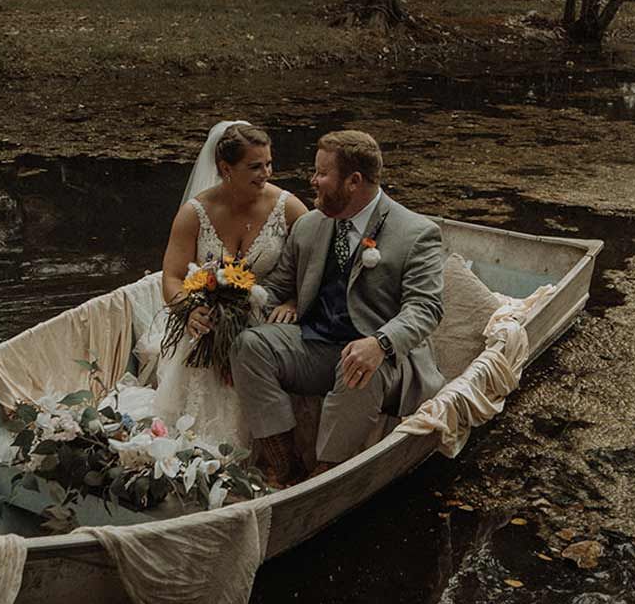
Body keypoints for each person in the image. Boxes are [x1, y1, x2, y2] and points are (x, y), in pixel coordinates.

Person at [229, 129, 444, 485]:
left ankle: (325, 474)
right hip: (316, 344)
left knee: (359, 366)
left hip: (383, 359)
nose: (313, 181)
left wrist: (380, 343)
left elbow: (426, 308)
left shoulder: (417, 233)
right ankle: (285, 467)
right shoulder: (309, 226)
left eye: (322, 173)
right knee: (249, 346)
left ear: (354, 181)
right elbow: (276, 286)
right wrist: (226, 300)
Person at [150, 121, 308, 443]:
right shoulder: (194, 213)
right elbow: (172, 277)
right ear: (226, 168)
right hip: (210, 323)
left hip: (270, 324)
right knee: (201, 358)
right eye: (255, 166)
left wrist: (293, 302)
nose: (266, 173)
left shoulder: (289, 208)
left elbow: (316, 269)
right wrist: (190, 310)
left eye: (268, 164)